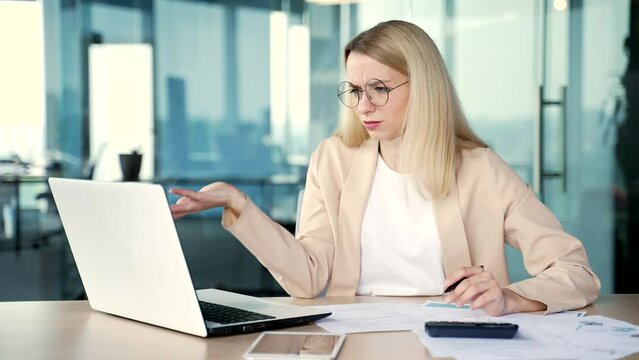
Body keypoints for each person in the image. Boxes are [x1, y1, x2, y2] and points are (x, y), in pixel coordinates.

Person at [169, 20, 600, 316]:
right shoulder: (333, 159)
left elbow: (576, 272)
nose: (364, 105)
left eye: (379, 88)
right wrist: (238, 204)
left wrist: (509, 297)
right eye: (355, 90)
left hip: (452, 343)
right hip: (353, 340)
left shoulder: (481, 169)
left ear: (424, 88)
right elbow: (307, 278)